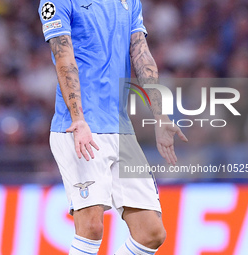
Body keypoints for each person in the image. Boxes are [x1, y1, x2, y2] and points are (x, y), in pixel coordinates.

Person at [38, 0, 188, 254]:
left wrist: (160, 115)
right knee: (91, 227)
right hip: (80, 126)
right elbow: (63, 57)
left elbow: (141, 54)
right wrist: (79, 118)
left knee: (151, 233)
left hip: (120, 129)